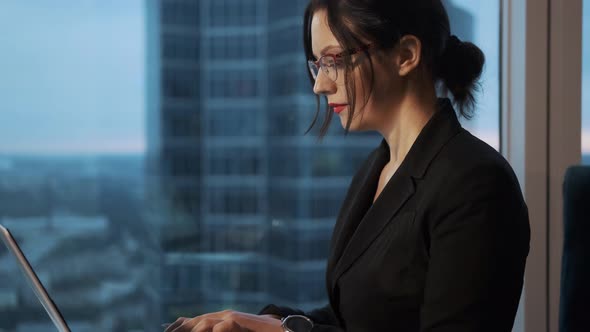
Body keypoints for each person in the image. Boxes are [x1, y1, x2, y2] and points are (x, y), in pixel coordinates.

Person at [165, 0, 530, 331]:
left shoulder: (476, 183)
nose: (319, 85)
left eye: (333, 60)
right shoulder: (377, 167)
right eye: (317, 64)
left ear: (405, 54)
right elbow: (356, 316)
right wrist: (264, 323)